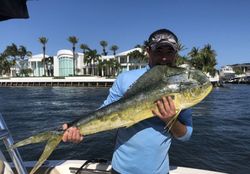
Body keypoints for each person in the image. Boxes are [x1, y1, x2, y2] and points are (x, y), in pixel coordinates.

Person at [62, 29, 193, 174]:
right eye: (159, 51)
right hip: (120, 170)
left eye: (169, 52)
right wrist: (78, 128)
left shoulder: (180, 83)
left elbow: (186, 135)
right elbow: (104, 112)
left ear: (175, 54)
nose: (164, 57)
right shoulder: (125, 78)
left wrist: (170, 120)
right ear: (148, 51)